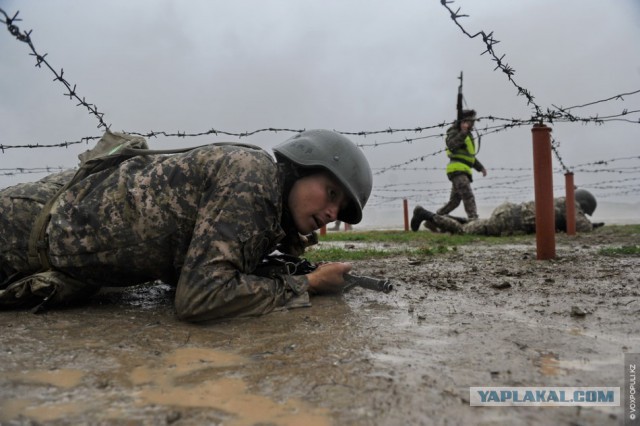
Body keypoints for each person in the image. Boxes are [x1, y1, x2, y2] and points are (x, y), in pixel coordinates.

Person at [0, 129, 373, 322]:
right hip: (22, 227)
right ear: (302, 167)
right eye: (330, 192)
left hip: (43, 238)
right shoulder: (253, 177)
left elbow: (200, 267)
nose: (330, 213)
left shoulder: (269, 213)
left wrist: (292, 268)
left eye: (339, 210)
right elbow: (199, 297)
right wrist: (308, 283)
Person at [411, 189, 600, 236]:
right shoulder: (571, 203)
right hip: (513, 219)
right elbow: (582, 227)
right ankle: (427, 215)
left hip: (511, 213)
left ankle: (443, 219)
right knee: (465, 232)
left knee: (477, 225)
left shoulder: (562, 201)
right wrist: (592, 226)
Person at [436, 109, 487, 220]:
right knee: (468, 195)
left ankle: (436, 217)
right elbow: (451, 145)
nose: (473, 124)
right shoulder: (455, 131)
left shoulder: (468, 135)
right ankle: (473, 219)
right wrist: (463, 132)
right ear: (464, 121)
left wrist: (480, 167)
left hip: (463, 170)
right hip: (457, 170)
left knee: (455, 201)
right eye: (471, 121)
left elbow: (469, 156)